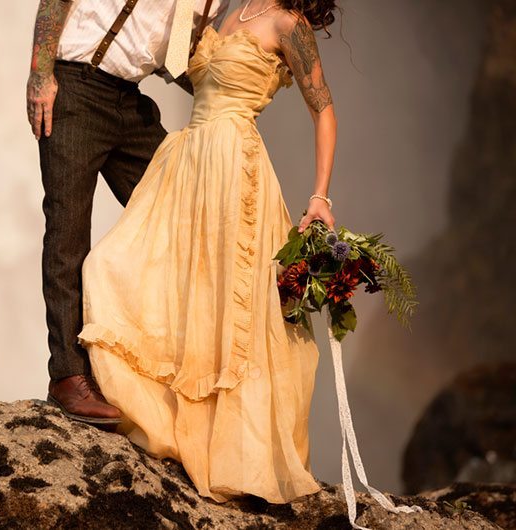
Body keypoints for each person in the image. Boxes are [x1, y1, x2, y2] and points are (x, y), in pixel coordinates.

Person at [78, 0, 339, 504]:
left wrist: (319, 197)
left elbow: (323, 110)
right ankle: (177, 429)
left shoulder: (290, 25)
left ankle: (233, 455)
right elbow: (171, 65)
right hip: (187, 160)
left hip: (233, 165)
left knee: (230, 309)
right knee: (118, 268)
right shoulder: (220, 10)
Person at [27, 0, 229, 425]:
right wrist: (40, 73)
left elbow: (173, 62)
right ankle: (67, 376)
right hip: (77, 88)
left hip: (131, 103)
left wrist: (241, 85)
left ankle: (143, 369)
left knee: (181, 214)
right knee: (68, 232)